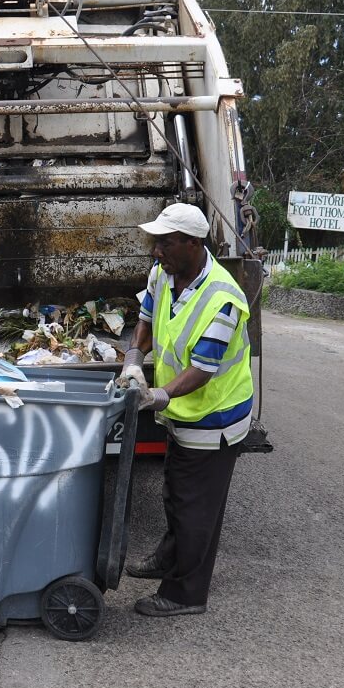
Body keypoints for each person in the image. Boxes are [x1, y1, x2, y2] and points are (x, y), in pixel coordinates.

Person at [118, 202, 254, 617]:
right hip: (182, 414)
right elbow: (145, 320)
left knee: (197, 509)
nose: (157, 251)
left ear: (193, 243)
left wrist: (157, 395)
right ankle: (168, 558)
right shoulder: (164, 273)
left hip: (214, 419)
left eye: (166, 243)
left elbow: (203, 369)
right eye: (155, 242)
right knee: (176, 494)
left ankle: (184, 593)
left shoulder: (223, 299)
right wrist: (132, 360)